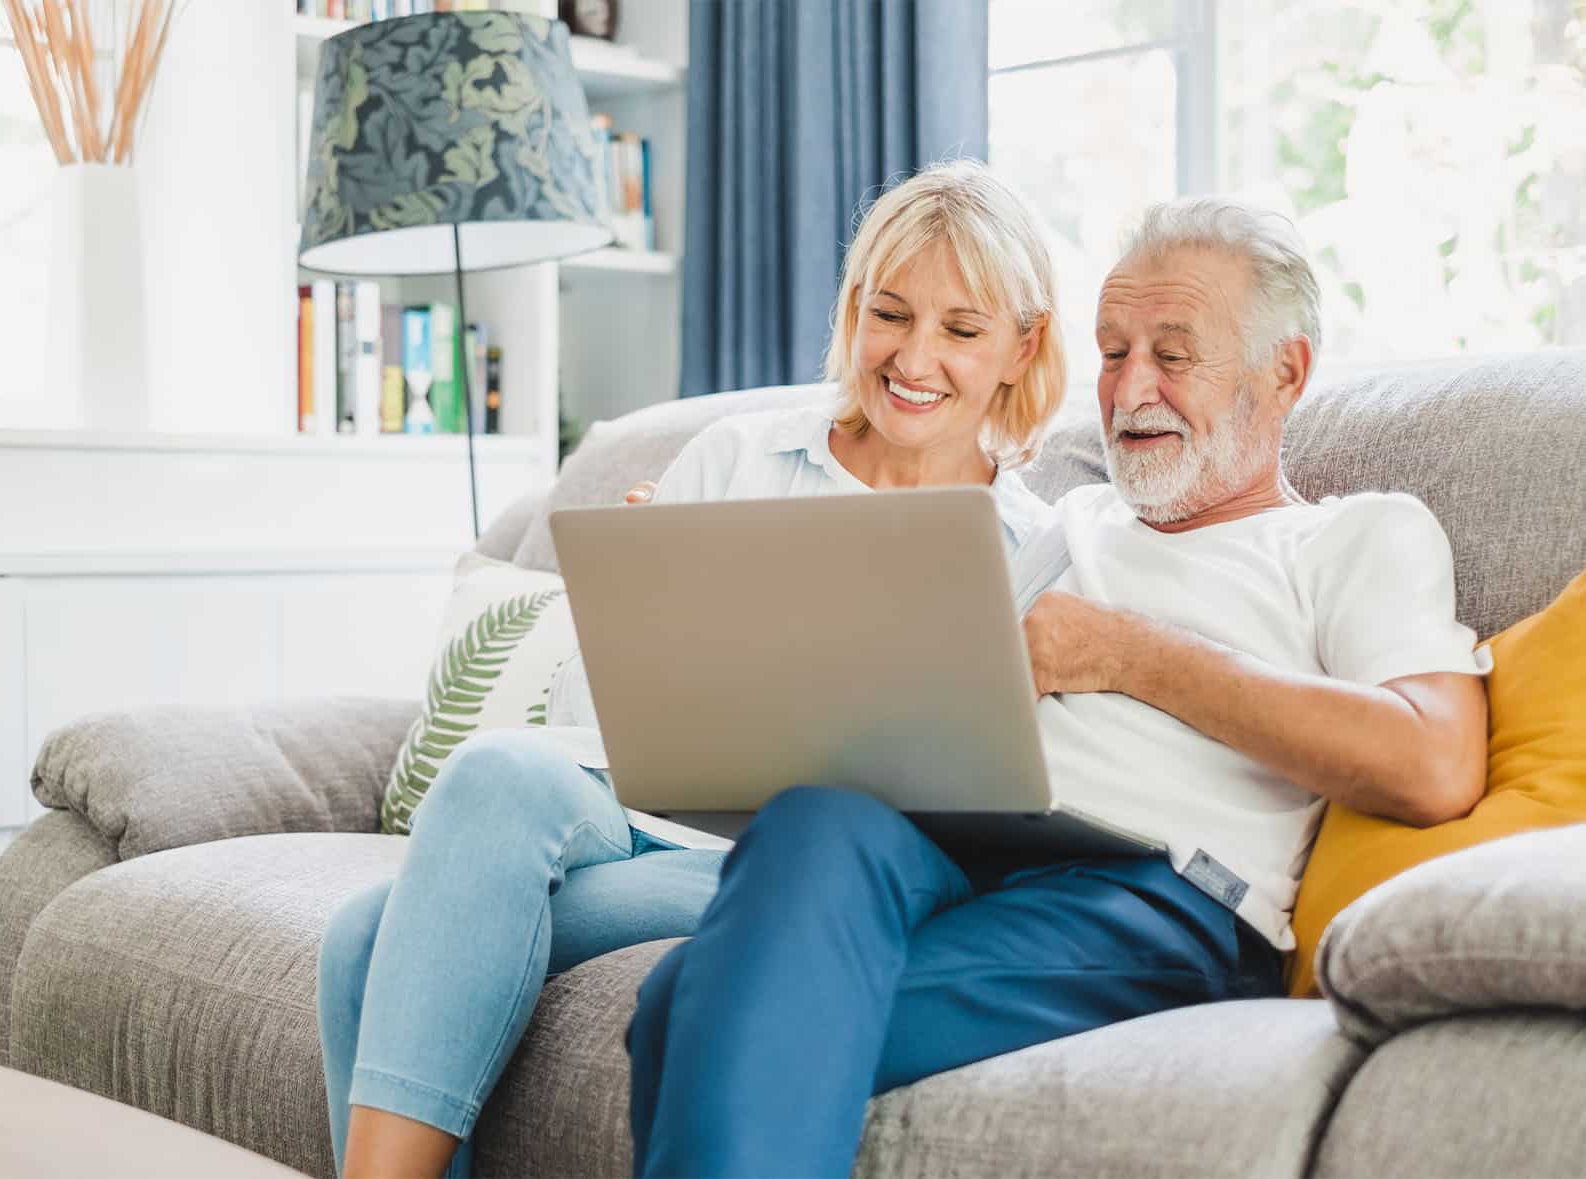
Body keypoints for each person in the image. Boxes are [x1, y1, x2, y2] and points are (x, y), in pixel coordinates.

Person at [623, 198, 1493, 1178]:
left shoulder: (1351, 536)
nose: (1129, 390)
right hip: (961, 845)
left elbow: (1432, 762)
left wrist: (1124, 653)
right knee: (816, 817)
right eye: (1113, 352)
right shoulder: (1058, 524)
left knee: (684, 1008)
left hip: (1154, 893)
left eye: (1172, 355)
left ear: (1283, 372)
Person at [316, 159, 1069, 1179]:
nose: (914, 356)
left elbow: (994, 786)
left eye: (961, 330)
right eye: (889, 313)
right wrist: (638, 614)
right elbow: (595, 721)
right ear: (854, 309)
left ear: (1022, 348)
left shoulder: (1029, 546)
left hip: (793, 867)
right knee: (494, 771)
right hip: (647, 809)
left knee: (370, 935)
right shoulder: (738, 457)